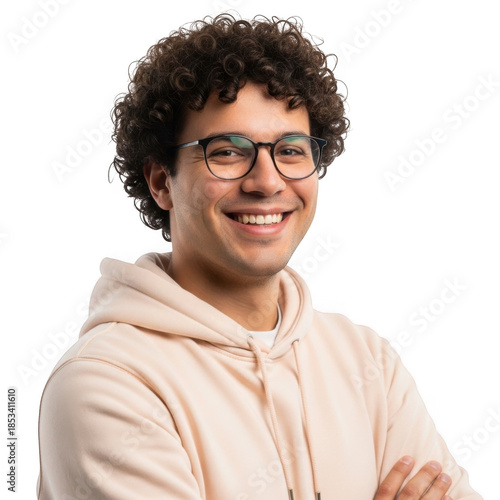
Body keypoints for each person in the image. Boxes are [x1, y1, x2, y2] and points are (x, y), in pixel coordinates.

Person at [37, 14, 482, 500]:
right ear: (161, 182)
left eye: (291, 150)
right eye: (227, 152)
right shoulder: (105, 384)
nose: (267, 181)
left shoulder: (367, 361)